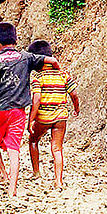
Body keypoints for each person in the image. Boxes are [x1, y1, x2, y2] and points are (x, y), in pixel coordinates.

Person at [0, 22, 58, 198]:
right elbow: (51, 60)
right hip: (19, 112)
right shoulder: (26, 57)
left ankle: (3, 174)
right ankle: (12, 188)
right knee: (14, 149)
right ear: (15, 39)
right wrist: (57, 70)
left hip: (0, 110)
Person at [27, 40, 79, 190]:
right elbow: (74, 94)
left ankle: (36, 172)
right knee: (57, 148)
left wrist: (31, 119)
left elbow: (36, 100)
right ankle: (58, 181)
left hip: (43, 117)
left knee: (33, 140)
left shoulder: (38, 78)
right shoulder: (63, 75)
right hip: (61, 118)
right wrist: (76, 108)